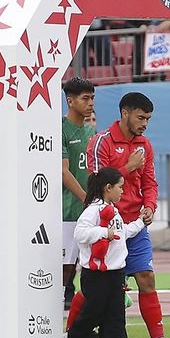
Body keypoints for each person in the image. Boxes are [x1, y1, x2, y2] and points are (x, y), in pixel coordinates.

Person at [76, 92, 170, 338]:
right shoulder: (101, 141)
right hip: (106, 226)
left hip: (134, 226)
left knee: (147, 279)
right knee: (97, 288)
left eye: (148, 119)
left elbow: (150, 182)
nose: (144, 124)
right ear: (124, 113)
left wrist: (150, 206)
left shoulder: (145, 145)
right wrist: (127, 167)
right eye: (140, 117)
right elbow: (96, 184)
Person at [63, 167, 146, 338]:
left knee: (116, 310)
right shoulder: (92, 211)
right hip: (96, 272)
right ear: (108, 188)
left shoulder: (113, 212)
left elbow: (122, 233)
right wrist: (102, 233)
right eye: (120, 187)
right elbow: (80, 234)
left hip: (116, 270)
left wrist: (141, 223)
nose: (122, 191)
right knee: (94, 310)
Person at [60, 77, 96, 309]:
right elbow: (62, 172)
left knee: (91, 270)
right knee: (63, 269)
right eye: (85, 98)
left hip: (88, 211)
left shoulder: (92, 131)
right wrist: (86, 199)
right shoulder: (60, 130)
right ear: (70, 101)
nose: (91, 103)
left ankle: (84, 329)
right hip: (66, 211)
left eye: (92, 98)